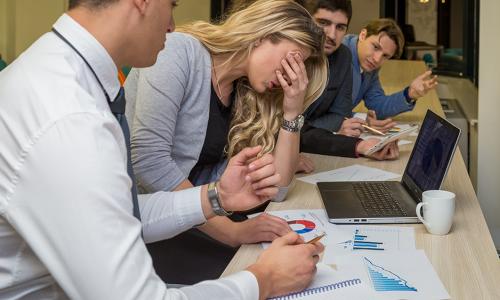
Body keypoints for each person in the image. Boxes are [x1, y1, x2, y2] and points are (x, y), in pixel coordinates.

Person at [0, 0, 324, 299]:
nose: (171, 25)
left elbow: (125, 213)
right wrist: (263, 279)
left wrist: (215, 197)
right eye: (170, 5)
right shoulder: (71, 117)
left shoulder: (61, 77)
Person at [124, 0, 328, 283]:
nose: (289, 78)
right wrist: (232, 232)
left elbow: (277, 187)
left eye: (299, 68)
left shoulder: (245, 92)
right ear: (262, 35)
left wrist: (293, 110)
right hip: (146, 228)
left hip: (199, 221)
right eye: (292, 60)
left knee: (296, 266)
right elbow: (148, 161)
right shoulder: (178, 50)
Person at [296, 0, 399, 173]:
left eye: (341, 27)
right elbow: (287, 128)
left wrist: (360, 144)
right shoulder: (290, 55)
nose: (332, 35)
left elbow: (339, 116)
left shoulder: (343, 56)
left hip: (311, 152)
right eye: (323, 23)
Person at [343, 18, 438, 133]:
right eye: (376, 47)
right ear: (363, 35)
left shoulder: (369, 65)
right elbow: (323, 112)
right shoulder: (339, 54)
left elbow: (377, 106)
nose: (377, 59)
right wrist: (362, 119)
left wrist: (409, 94)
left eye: (385, 56)